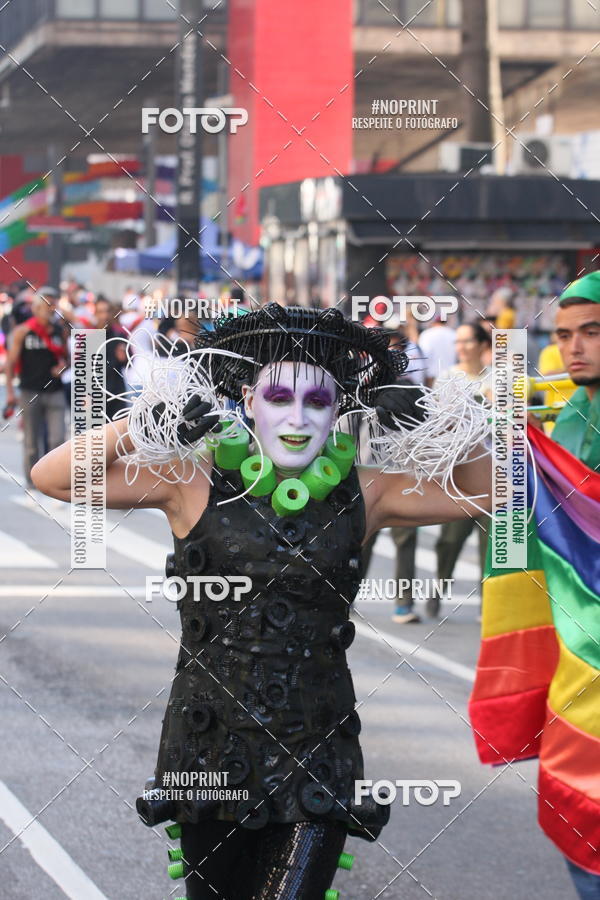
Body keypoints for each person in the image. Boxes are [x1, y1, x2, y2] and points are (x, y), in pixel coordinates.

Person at [32, 304, 491, 899]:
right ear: (247, 401)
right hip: (207, 750)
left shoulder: (366, 490)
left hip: (316, 750)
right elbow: (52, 476)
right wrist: (143, 421)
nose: (297, 417)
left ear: (337, 411)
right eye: (279, 397)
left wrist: (429, 414)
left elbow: (495, 490)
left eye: (317, 402)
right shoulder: (188, 480)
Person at [471, 272, 600, 900]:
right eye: (564, 335)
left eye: (592, 333)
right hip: (579, 655)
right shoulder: (569, 415)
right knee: (578, 811)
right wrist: (509, 441)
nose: (574, 348)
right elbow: (525, 519)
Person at [432, 322, 492, 619]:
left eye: (467, 341)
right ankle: (438, 590)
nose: (462, 347)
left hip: (496, 476)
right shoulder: (448, 379)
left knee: (491, 547)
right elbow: (437, 424)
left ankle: (489, 606)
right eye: (458, 341)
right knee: (450, 540)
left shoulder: (499, 379)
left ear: (483, 345)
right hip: (460, 475)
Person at [5, 293, 67, 489]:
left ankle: (54, 478)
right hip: (30, 391)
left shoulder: (59, 331)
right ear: (36, 308)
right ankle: (33, 479)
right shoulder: (24, 331)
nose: (51, 309)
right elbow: (10, 363)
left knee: (57, 438)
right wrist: (10, 393)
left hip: (55, 390)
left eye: (53, 305)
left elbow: (67, 358)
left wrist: (64, 367)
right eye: (47, 305)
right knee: (32, 439)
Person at [94, 297, 128, 420]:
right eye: (101, 312)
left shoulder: (120, 335)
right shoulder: (89, 336)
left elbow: (130, 362)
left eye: (107, 311)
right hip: (95, 395)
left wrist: (124, 358)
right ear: (96, 314)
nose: (105, 316)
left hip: (116, 393)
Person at [418, 314, 456, 386]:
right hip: (451, 375)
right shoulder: (453, 334)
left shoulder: (427, 334)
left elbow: (423, 356)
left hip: (432, 377)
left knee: (432, 396)